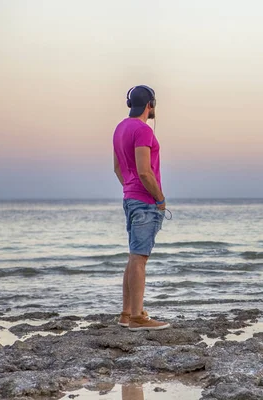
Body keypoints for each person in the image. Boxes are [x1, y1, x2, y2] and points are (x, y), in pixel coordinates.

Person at [112, 85, 170, 331]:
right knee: (139, 258)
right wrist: (159, 198)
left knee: (133, 256)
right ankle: (137, 317)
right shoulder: (143, 130)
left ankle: (126, 314)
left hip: (129, 198)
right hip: (144, 201)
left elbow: (117, 168)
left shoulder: (120, 129)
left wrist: (131, 189)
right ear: (151, 105)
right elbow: (145, 171)